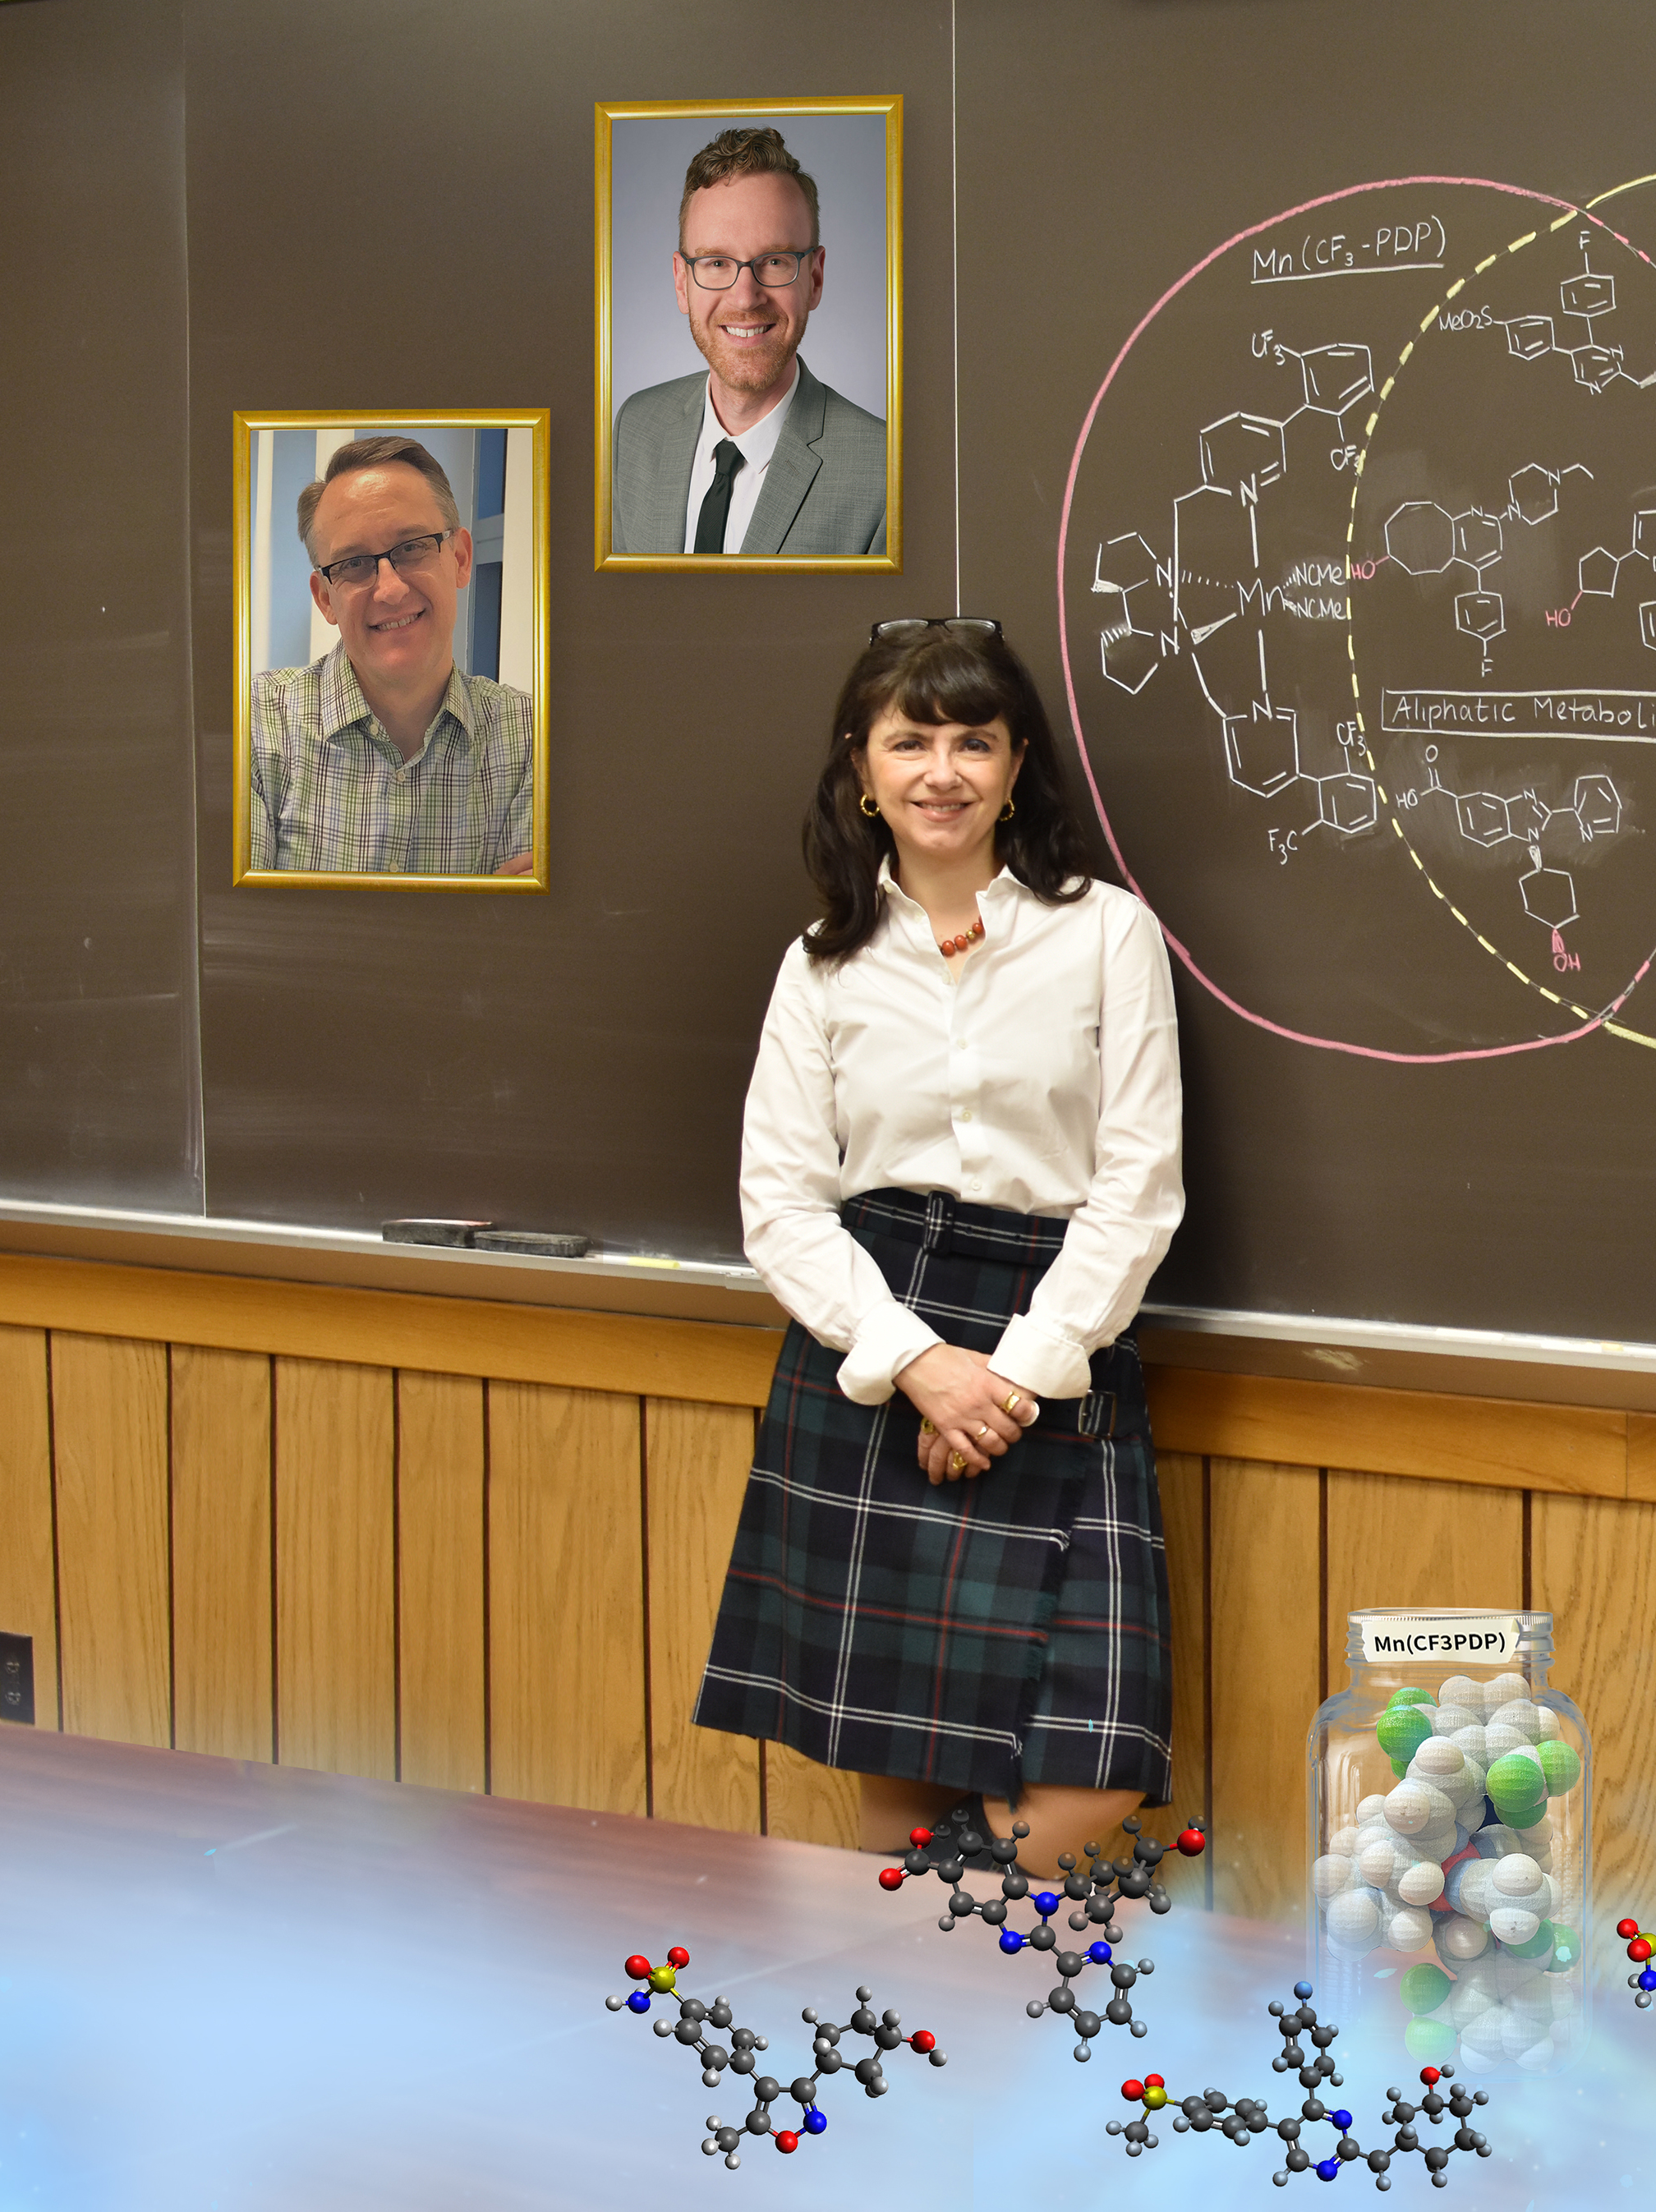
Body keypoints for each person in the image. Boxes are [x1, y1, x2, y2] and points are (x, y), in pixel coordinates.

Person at [694, 616, 1184, 1877]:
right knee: (897, 1780)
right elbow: (783, 1206)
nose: (942, 771)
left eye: (975, 740)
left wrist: (1010, 1375)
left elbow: (1137, 1187)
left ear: (1020, 764)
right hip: (873, 1342)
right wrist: (920, 1365)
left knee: (1098, 1771)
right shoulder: (822, 965)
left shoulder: (1106, 934)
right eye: (909, 741)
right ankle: (927, 2037)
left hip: (1060, 1339)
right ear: (862, 771)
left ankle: (935, 1954)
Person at [246, 435, 534, 877]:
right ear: (325, 598)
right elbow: (238, 935)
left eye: (412, 546)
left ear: (459, 558)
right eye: (355, 563)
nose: (391, 588)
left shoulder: (535, 740)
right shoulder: (251, 727)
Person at [611, 126, 890, 559]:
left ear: (814, 279)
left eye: (775, 261)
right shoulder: (635, 428)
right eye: (717, 262)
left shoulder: (884, 474)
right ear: (682, 283)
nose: (745, 298)